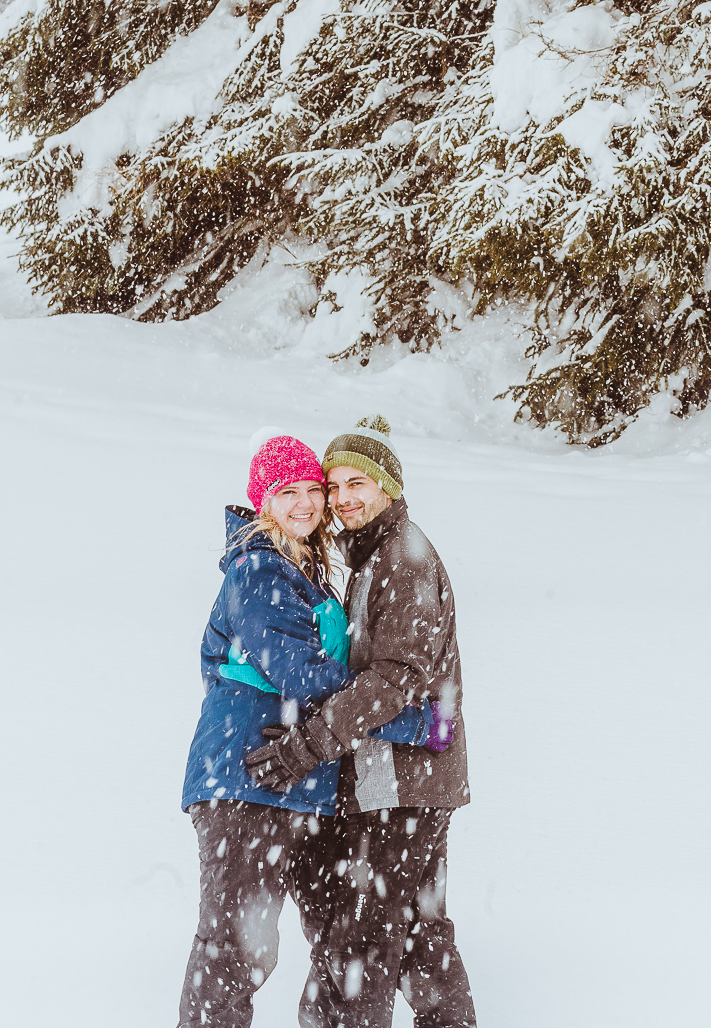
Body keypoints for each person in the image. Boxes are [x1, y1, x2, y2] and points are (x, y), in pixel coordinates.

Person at [179, 434, 434, 1028]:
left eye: (313, 491)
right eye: (286, 492)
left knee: (340, 945)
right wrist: (412, 719)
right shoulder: (257, 570)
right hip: (246, 781)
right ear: (262, 501)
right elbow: (306, 675)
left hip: (306, 786)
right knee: (236, 950)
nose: (305, 503)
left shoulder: (310, 574)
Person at [245, 417, 475, 1028]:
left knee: (362, 944)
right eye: (335, 485)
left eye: (358, 484)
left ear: (388, 489)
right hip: (406, 780)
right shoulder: (374, 559)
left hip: (404, 784)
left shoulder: (405, 556)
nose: (344, 497)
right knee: (420, 938)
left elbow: (394, 679)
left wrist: (309, 746)